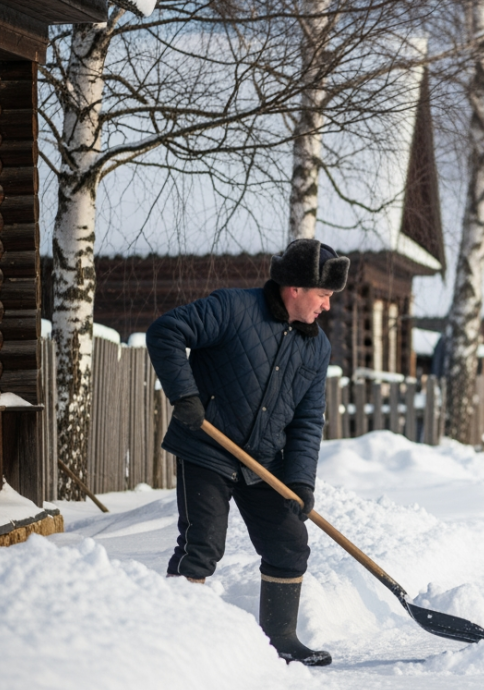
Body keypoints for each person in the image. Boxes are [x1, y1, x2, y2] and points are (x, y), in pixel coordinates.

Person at [146, 238, 349, 666]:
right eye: (324, 295)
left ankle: (280, 640)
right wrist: (185, 394)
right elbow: (166, 331)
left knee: (290, 543)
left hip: (263, 463)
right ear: (295, 288)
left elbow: (307, 422)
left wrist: (298, 482)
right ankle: (171, 640)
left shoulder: (317, 348)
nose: (327, 307)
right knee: (202, 544)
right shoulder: (233, 308)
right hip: (208, 448)